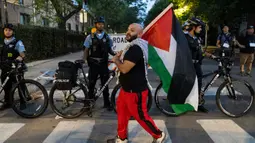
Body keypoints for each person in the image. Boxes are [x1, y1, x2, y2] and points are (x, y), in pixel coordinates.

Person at [107, 23, 166, 143]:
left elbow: (124, 69)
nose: (128, 32)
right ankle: (122, 138)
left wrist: (116, 60)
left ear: (139, 34)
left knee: (141, 116)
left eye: (132, 30)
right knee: (122, 113)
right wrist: (120, 58)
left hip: (136, 91)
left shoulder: (136, 48)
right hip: (126, 89)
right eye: (128, 29)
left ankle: (158, 135)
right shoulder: (132, 47)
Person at [83, 16, 115, 111]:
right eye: (99, 24)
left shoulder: (107, 37)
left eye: (102, 24)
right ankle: (89, 103)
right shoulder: (90, 37)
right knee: (91, 84)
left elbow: (110, 49)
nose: (101, 25)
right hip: (93, 64)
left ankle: (107, 103)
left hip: (103, 64)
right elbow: (86, 49)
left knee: (105, 84)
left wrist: (115, 54)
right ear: (96, 25)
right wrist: (84, 59)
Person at [185, 18, 216, 113]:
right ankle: (183, 104)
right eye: (199, 27)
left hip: (197, 65)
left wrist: (212, 56)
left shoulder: (197, 38)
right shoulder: (184, 37)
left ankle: (198, 104)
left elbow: (201, 50)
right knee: (188, 85)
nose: (201, 29)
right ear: (193, 27)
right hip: (188, 66)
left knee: (198, 84)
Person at [0, 23, 26, 110]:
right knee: (6, 86)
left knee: (20, 85)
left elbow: (22, 54)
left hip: (15, 67)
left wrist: (18, 59)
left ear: (12, 32)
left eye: (9, 30)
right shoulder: (2, 42)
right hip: (5, 67)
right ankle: (8, 102)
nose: (7, 32)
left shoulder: (17, 42)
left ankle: (23, 101)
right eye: (6, 30)